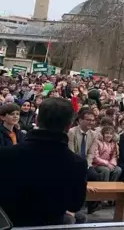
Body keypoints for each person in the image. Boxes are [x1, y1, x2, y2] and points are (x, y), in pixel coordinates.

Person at [0, 97, 88, 226]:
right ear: (69, 126)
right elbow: (75, 205)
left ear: (37, 120)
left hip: (12, 223)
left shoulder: (5, 155)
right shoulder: (77, 163)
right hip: (51, 224)